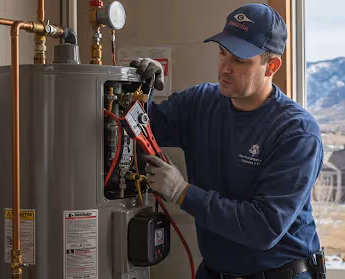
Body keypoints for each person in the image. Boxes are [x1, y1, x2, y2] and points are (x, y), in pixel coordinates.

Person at [130, 3, 324, 279]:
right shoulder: (199, 103)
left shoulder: (296, 132)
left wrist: (183, 193)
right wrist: (138, 88)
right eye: (223, 54)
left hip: (280, 273)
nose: (225, 68)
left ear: (272, 66)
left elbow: (264, 227)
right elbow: (141, 129)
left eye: (240, 60)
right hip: (216, 271)